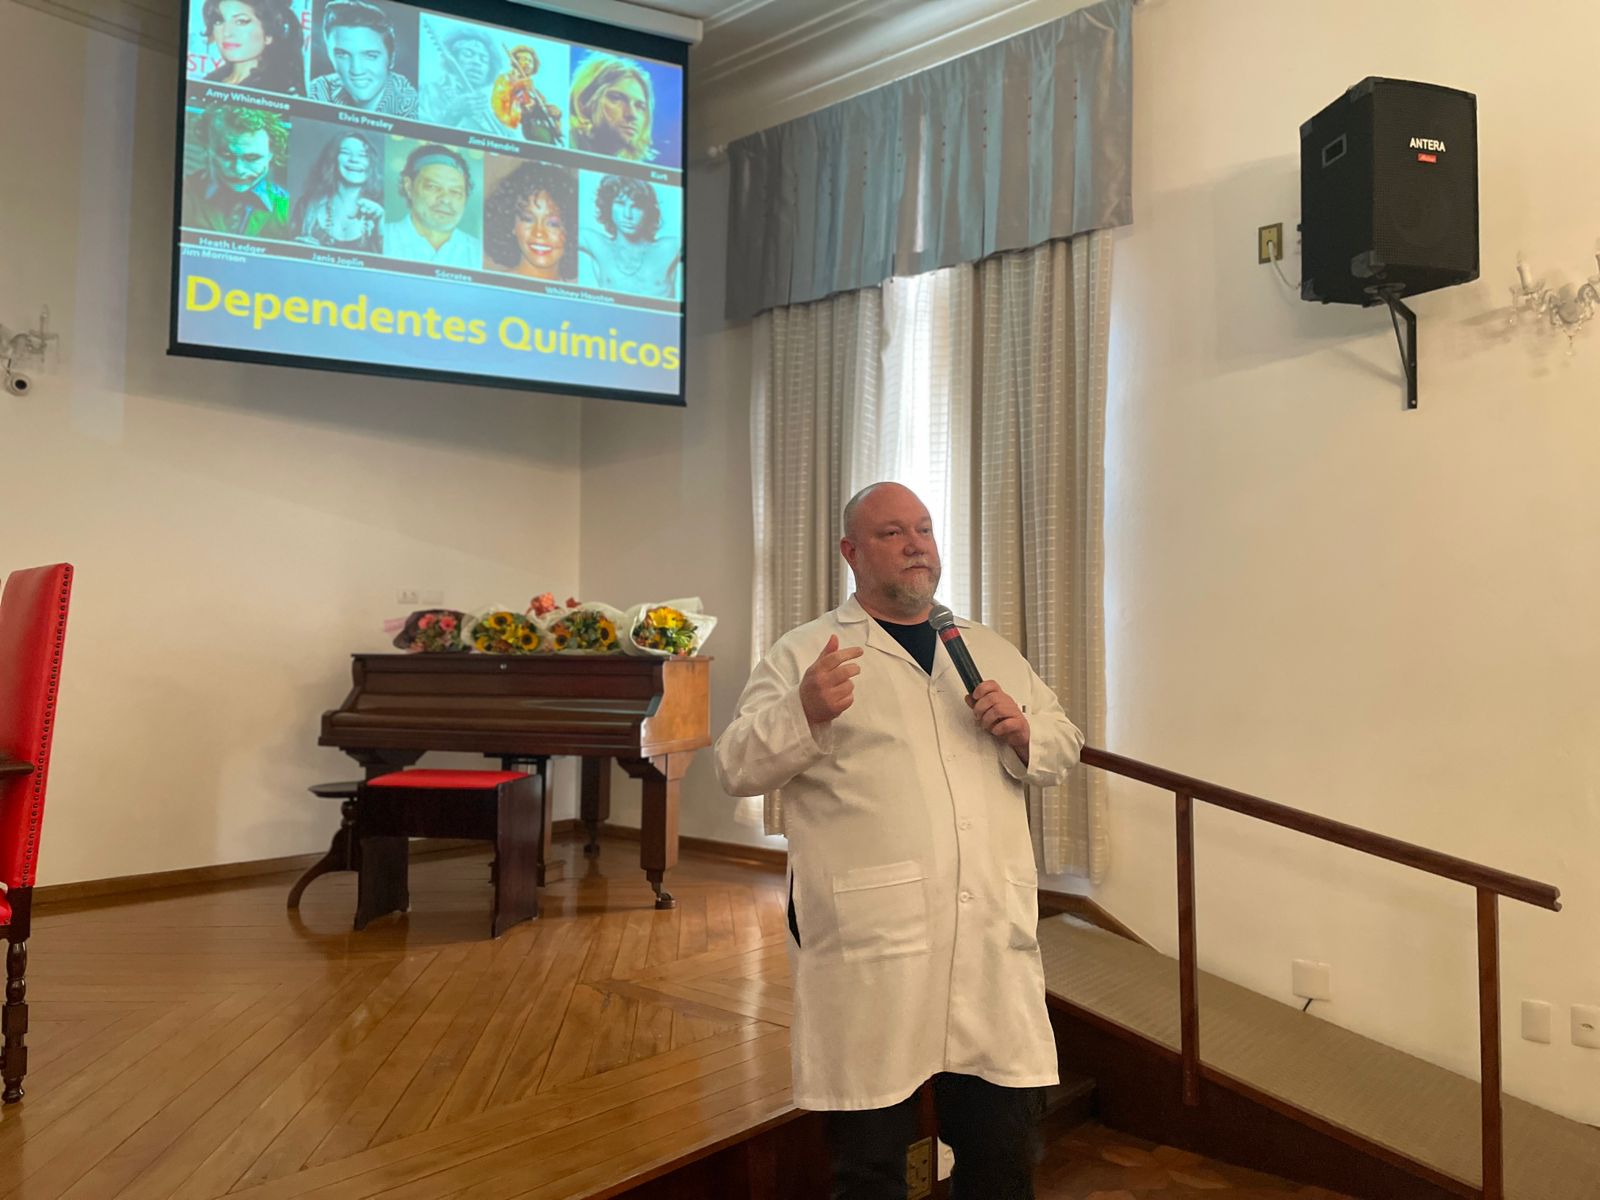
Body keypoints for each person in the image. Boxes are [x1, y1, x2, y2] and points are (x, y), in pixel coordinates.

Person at [714, 482, 1084, 1200]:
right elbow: (735, 765)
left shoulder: (985, 646)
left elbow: (1064, 739)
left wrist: (1026, 730)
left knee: (1003, 1160)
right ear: (851, 552)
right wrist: (802, 712)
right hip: (874, 947)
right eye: (892, 533)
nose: (916, 545)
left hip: (987, 943)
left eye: (924, 529)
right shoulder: (805, 652)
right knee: (872, 1169)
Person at [181, 105, 292, 239]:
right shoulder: (183, 191)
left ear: (272, 154)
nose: (239, 170)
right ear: (208, 148)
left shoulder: (288, 208)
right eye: (226, 155)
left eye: (252, 158)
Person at [307, 0, 418, 117]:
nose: (356, 70)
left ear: (392, 58)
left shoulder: (412, 105)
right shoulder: (319, 89)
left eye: (371, 56)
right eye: (343, 54)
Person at [577, 176, 680, 298]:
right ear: (608, 207)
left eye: (636, 206)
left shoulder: (669, 248)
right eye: (620, 204)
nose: (628, 215)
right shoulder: (597, 244)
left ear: (647, 211)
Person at [381, 143, 481, 268]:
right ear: (409, 187)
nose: (445, 199)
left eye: (455, 192)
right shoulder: (378, 238)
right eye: (433, 187)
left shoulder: (479, 253)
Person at [483, 161, 577, 280]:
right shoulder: (494, 285)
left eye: (553, 224)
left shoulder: (582, 288)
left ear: (571, 229)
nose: (538, 233)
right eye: (527, 219)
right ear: (512, 224)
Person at [291, 132, 384, 251]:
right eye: (345, 152)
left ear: (371, 162)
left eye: (363, 155)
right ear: (333, 159)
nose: (354, 160)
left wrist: (381, 224)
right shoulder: (306, 205)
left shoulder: (382, 210)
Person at [201, 0, 305, 95]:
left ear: (268, 34)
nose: (226, 32)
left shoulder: (277, 94)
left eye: (241, 21)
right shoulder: (210, 82)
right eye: (219, 21)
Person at [568, 54, 656, 161]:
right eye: (616, 98)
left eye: (639, 106)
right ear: (584, 101)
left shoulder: (627, 168)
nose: (632, 114)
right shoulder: (562, 144)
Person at [420, 24, 500, 136]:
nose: (476, 62)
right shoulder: (428, 92)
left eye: (484, 59)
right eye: (468, 54)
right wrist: (452, 114)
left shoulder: (491, 115)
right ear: (453, 58)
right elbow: (421, 134)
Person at [491, 44, 561, 144]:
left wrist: (556, 115)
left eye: (530, 61)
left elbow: (551, 122)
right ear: (514, 62)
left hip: (545, 138)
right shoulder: (505, 80)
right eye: (523, 59)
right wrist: (520, 87)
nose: (527, 63)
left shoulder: (535, 91)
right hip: (519, 138)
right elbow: (502, 106)